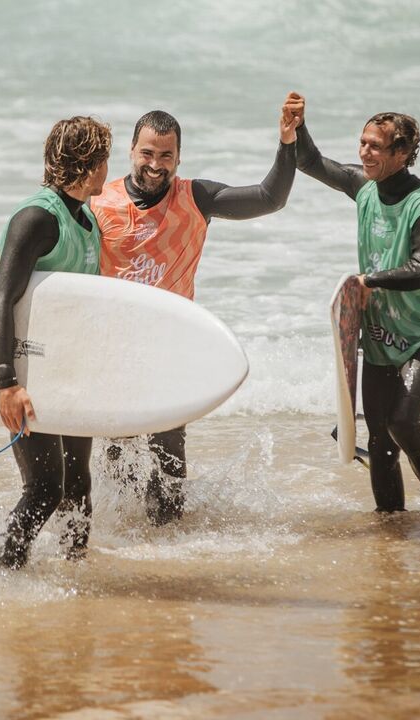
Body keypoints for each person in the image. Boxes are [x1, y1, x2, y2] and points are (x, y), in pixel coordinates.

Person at [89, 102, 301, 526]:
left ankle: (169, 549)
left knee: (168, 458)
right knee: (118, 457)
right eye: (147, 153)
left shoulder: (195, 197)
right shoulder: (97, 202)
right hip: (115, 351)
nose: (155, 165)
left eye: (166, 156)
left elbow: (269, 198)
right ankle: (123, 543)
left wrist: (287, 142)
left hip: (171, 348)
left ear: (179, 158)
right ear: (132, 151)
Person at [287, 92, 420, 519]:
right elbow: (311, 162)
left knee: (402, 424)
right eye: (362, 143)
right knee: (379, 442)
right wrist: (296, 125)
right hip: (377, 339)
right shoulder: (364, 188)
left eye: (374, 146)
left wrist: (366, 280)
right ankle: (391, 526)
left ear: (402, 153)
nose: (363, 152)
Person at [0, 116, 111, 569]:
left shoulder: (84, 217)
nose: (107, 170)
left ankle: (74, 574)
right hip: (27, 373)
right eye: (104, 160)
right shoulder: (37, 218)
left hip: (67, 371)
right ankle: (4, 576)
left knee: (78, 484)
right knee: (44, 488)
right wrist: (6, 383)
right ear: (90, 164)